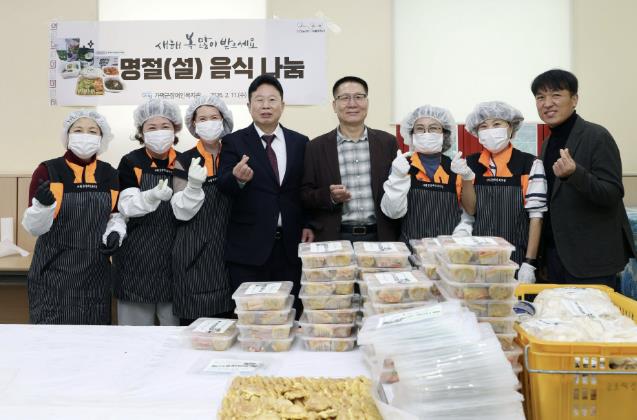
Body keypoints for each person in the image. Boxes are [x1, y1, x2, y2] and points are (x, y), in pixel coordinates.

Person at [531, 69, 636, 287]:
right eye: (540, 97)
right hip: (555, 257)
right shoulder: (547, 143)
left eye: (556, 95)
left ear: (574, 99)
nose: (547, 103)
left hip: (591, 259)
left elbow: (612, 194)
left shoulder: (597, 136)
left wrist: (575, 174)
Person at [217, 75, 313, 308]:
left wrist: (309, 223)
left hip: (290, 249)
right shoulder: (233, 141)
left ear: (282, 105)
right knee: (252, 314)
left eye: (272, 100)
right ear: (249, 106)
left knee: (290, 314)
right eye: (259, 100)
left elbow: (305, 188)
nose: (266, 106)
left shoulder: (300, 142)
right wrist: (238, 179)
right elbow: (224, 185)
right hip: (249, 250)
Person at [22, 110, 125, 324]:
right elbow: (34, 228)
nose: (85, 135)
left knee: (93, 337)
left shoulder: (109, 173)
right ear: (67, 136)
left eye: (92, 131)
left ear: (101, 137)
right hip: (53, 272)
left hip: (95, 273)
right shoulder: (48, 170)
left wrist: (115, 232)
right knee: (52, 337)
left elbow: (115, 215)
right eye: (78, 130)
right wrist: (42, 206)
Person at [451, 101, 548, 282]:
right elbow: (470, 210)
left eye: (497, 124)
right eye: (484, 126)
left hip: (516, 257)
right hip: (478, 259)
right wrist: (466, 177)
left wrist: (529, 263)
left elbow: (536, 218)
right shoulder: (470, 164)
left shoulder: (530, 164)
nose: (490, 130)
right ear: (477, 132)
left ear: (510, 128)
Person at [301, 76, 399, 242]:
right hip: (335, 237)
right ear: (334, 105)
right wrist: (330, 196)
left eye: (359, 97)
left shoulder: (388, 142)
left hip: (381, 236)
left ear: (367, 102)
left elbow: (399, 188)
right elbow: (305, 194)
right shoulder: (315, 147)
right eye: (345, 98)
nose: (352, 104)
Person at [112, 98, 182, 326]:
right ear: (141, 132)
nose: (159, 132)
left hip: (174, 259)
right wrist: (151, 196)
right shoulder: (130, 162)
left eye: (165, 126)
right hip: (136, 260)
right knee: (134, 336)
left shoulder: (184, 162)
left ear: (175, 129)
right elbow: (125, 206)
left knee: (173, 335)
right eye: (152, 127)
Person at [170, 95, 235, 325]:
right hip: (193, 254)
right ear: (194, 124)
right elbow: (179, 210)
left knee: (228, 327)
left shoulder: (233, 155)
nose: (209, 123)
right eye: (203, 119)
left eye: (214, 117)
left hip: (228, 250)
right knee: (195, 328)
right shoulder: (184, 160)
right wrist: (194, 186)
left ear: (224, 120)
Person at [381, 105, 465, 242]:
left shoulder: (456, 169)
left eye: (433, 128)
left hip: (447, 250)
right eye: (420, 129)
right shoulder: (402, 166)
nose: (426, 133)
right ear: (411, 135)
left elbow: (467, 214)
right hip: (411, 249)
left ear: (444, 134)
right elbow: (392, 212)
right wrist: (398, 177)